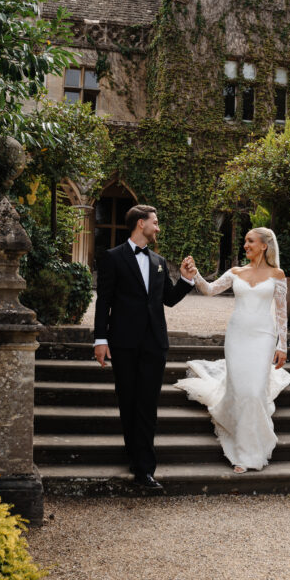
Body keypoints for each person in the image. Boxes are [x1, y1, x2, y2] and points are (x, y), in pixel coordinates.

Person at [93, 204, 195, 491]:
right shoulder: (112, 258)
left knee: (148, 404)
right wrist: (101, 339)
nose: (158, 228)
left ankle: (145, 470)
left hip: (154, 343)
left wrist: (187, 279)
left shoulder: (158, 261)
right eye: (155, 222)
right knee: (128, 401)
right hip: (123, 342)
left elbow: (169, 299)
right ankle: (134, 454)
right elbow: (104, 300)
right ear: (141, 223)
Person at [176, 228, 290, 473]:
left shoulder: (277, 274)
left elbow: (281, 313)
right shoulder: (235, 272)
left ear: (264, 245)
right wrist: (194, 274)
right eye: (245, 241)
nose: (245, 245)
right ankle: (244, 453)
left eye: (250, 241)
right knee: (240, 390)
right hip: (237, 336)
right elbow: (209, 290)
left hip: (263, 337)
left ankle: (253, 449)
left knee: (253, 391)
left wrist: (283, 346)